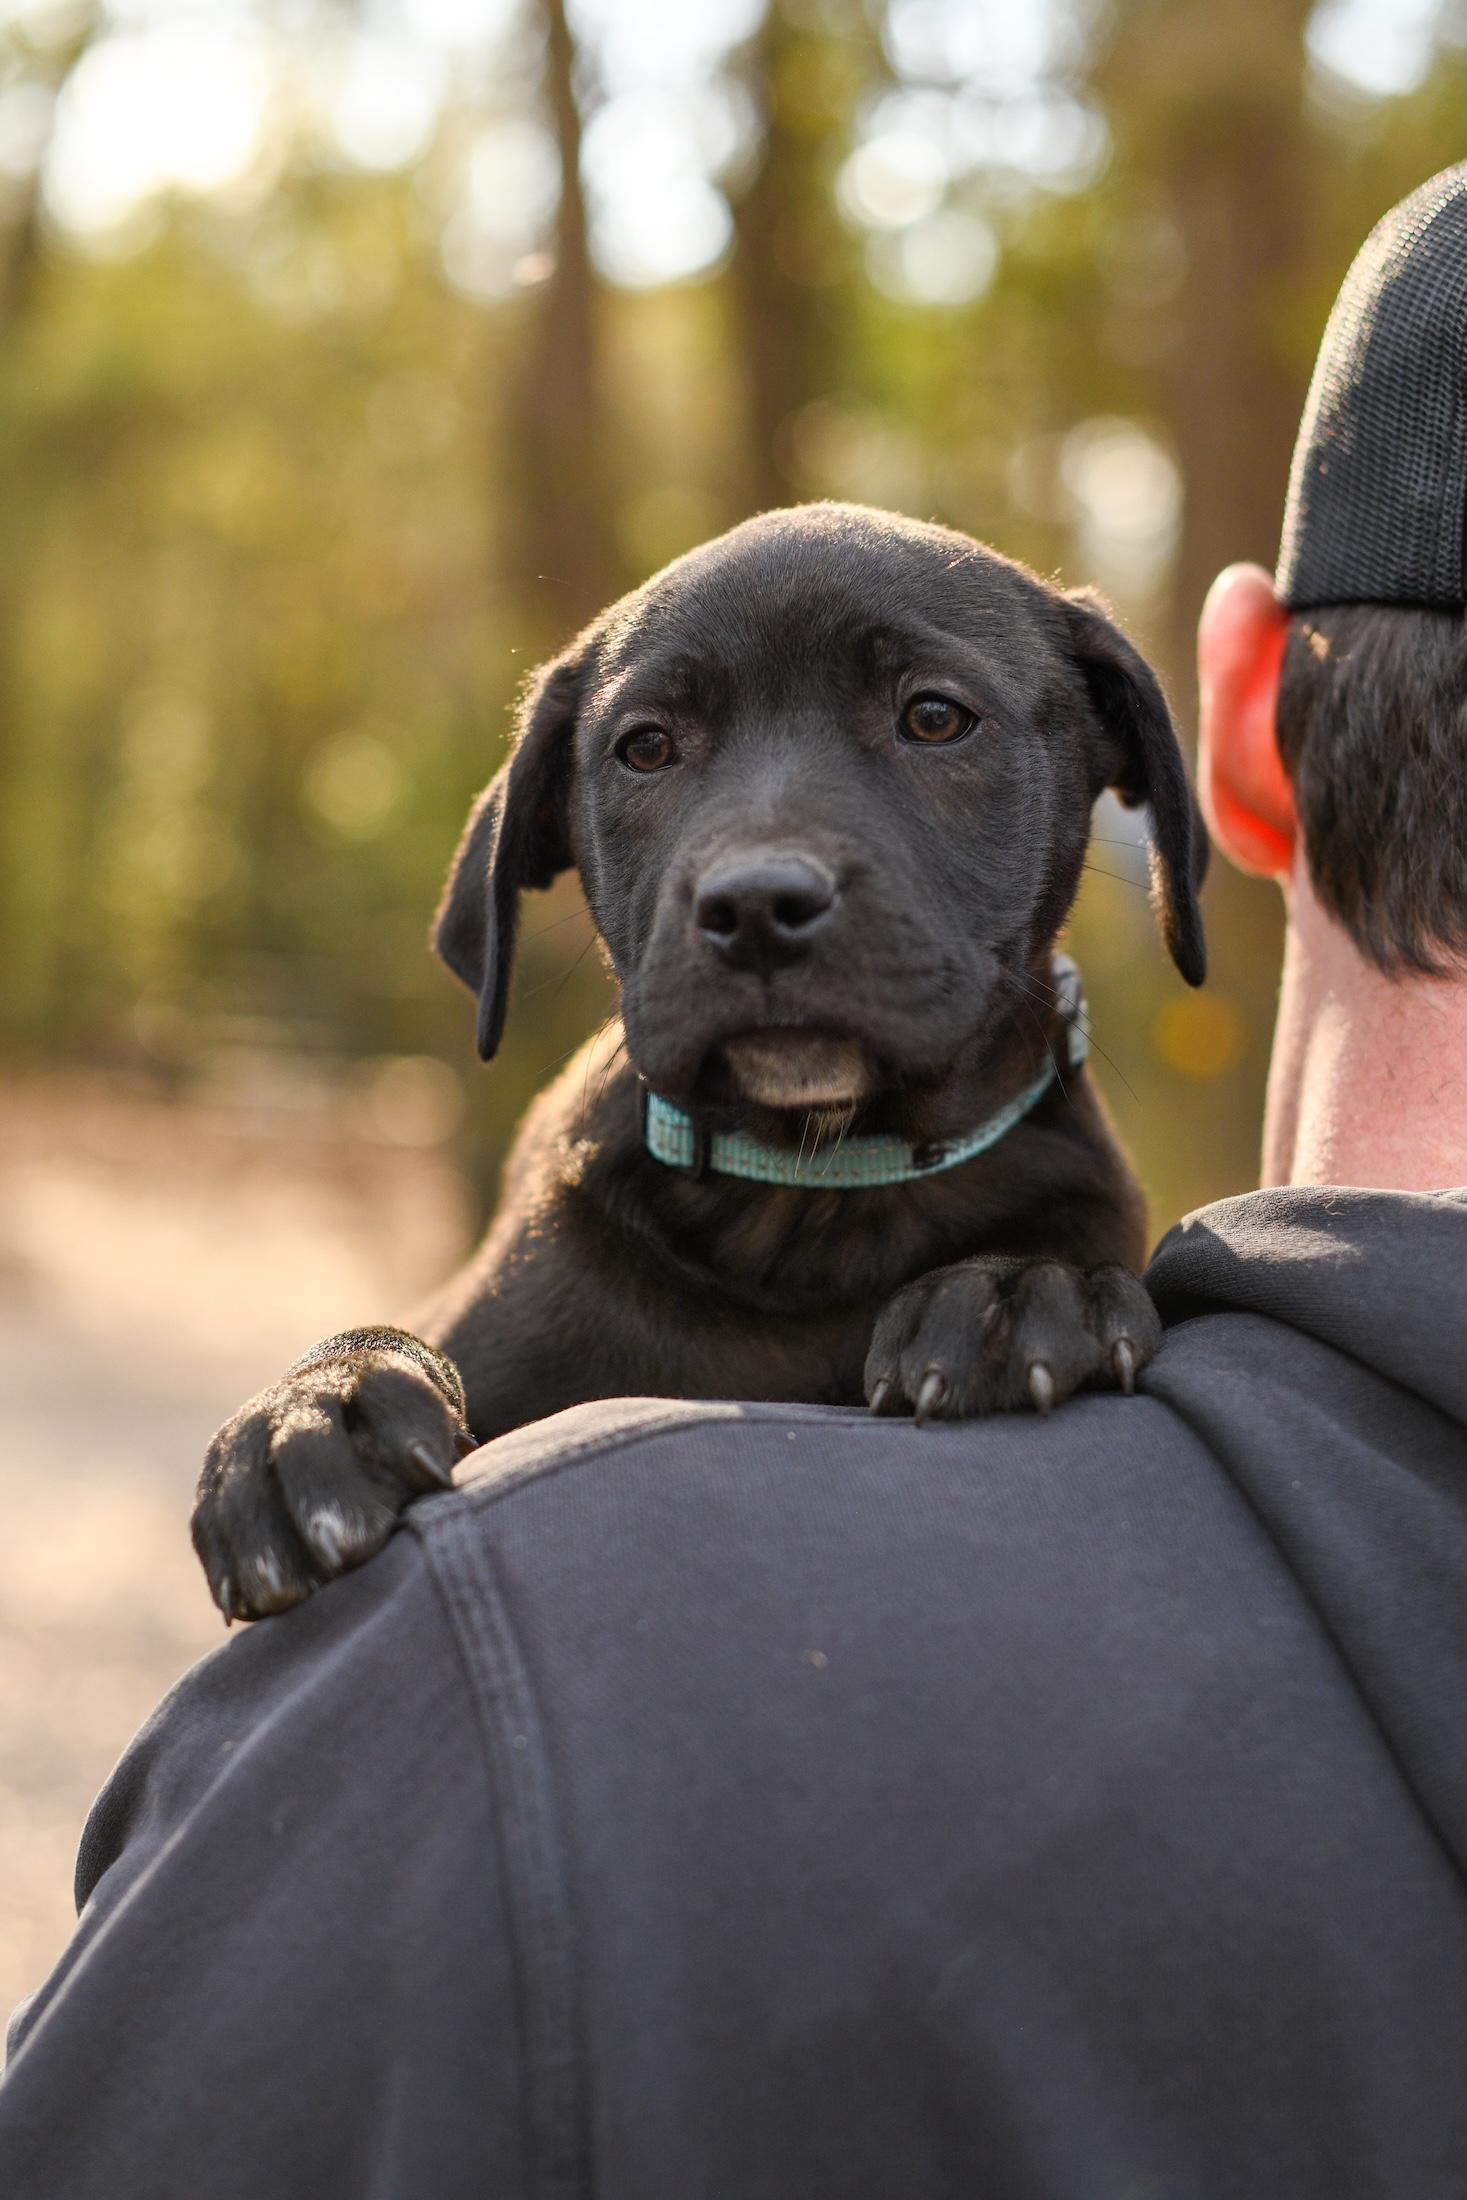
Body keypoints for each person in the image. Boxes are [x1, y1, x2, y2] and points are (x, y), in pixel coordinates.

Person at [3, 169, 1466, 2200]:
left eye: (928, 721)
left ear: (1145, 763)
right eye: (660, 749)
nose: (763, 853)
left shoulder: (1073, 1239)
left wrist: (1072, 1291)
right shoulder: (572, 1228)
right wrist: (335, 1389)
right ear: (540, 857)